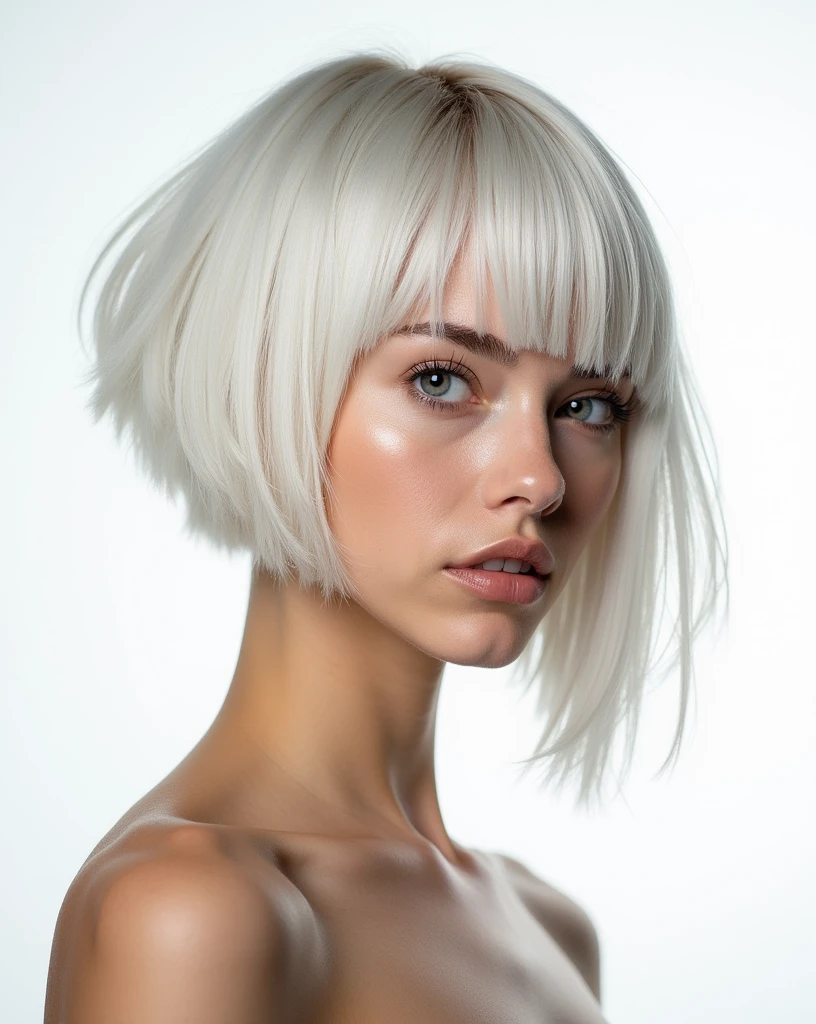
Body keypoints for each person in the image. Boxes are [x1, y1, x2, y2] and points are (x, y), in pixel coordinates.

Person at [44, 49, 728, 1022]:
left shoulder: (550, 927)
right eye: (443, 379)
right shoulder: (190, 914)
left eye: (586, 404)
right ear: (267, 375)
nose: (537, 475)